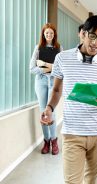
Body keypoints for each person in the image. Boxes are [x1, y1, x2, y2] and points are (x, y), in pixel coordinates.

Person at [41, 15, 97, 184]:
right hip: (72, 131)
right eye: (92, 36)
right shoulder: (62, 58)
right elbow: (56, 89)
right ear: (83, 34)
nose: (96, 43)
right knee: (72, 181)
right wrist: (49, 108)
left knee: (92, 179)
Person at [29, 23, 63, 155]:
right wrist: (48, 68)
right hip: (41, 81)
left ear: (54, 35)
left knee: (51, 111)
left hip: (54, 81)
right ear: (43, 34)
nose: (49, 35)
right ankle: (46, 141)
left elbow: (60, 68)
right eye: (47, 33)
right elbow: (32, 68)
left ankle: (54, 140)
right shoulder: (38, 48)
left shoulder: (59, 48)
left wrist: (45, 65)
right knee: (43, 112)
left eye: (51, 33)